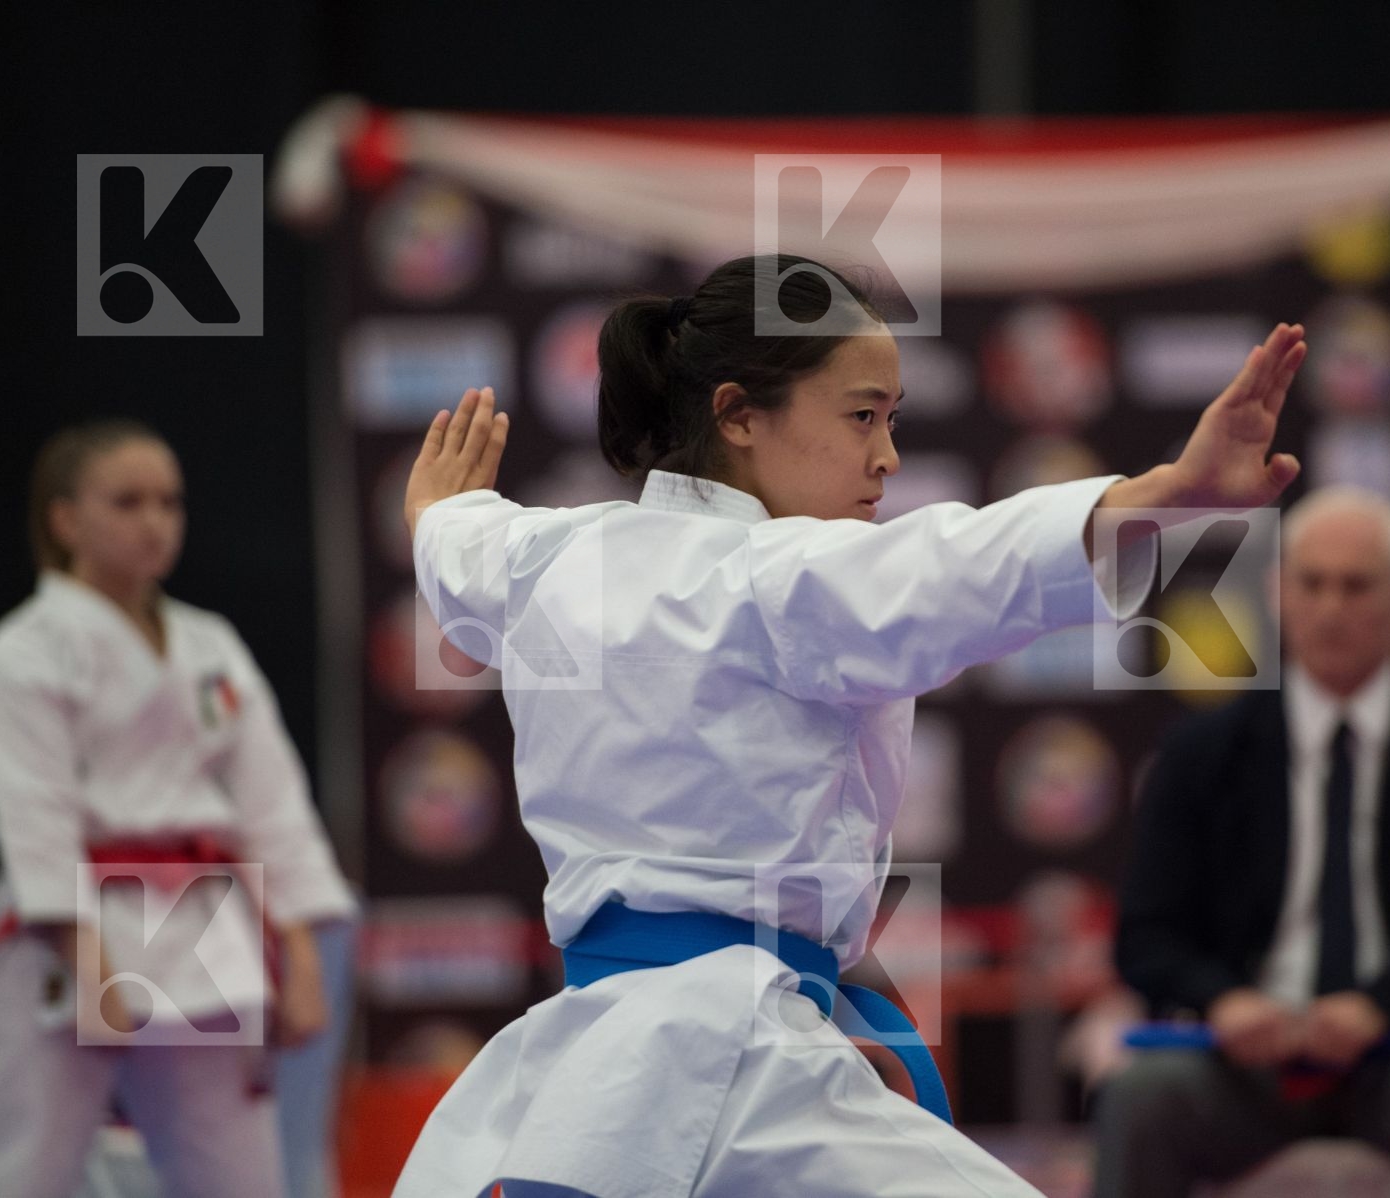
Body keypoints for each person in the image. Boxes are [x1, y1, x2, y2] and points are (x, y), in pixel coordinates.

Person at [391, 252, 1305, 1197]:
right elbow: (965, 568)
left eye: (894, 420)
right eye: (862, 414)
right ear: (739, 415)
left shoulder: (549, 555)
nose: (888, 456)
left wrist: (436, 513)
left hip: (587, 1070)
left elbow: (460, 552)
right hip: (735, 1071)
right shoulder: (783, 580)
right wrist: (1171, 496)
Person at [1093, 485, 1390, 1198]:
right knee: (1143, 1095)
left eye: (1357, 586)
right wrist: (1225, 1002)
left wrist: (1383, 1004)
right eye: (1312, 584)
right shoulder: (1202, 754)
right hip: (1250, 1063)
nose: (1332, 608)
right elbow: (1144, 937)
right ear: (1279, 593)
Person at [0, 418, 358, 1197]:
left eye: (169, 502)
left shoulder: (212, 646)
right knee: (16, 1170)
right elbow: (34, 817)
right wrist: (88, 960)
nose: (155, 522)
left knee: (235, 1174)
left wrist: (301, 953)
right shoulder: (20, 656)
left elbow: (271, 807)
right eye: (128, 502)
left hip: (205, 923)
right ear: (65, 519)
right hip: (70, 932)